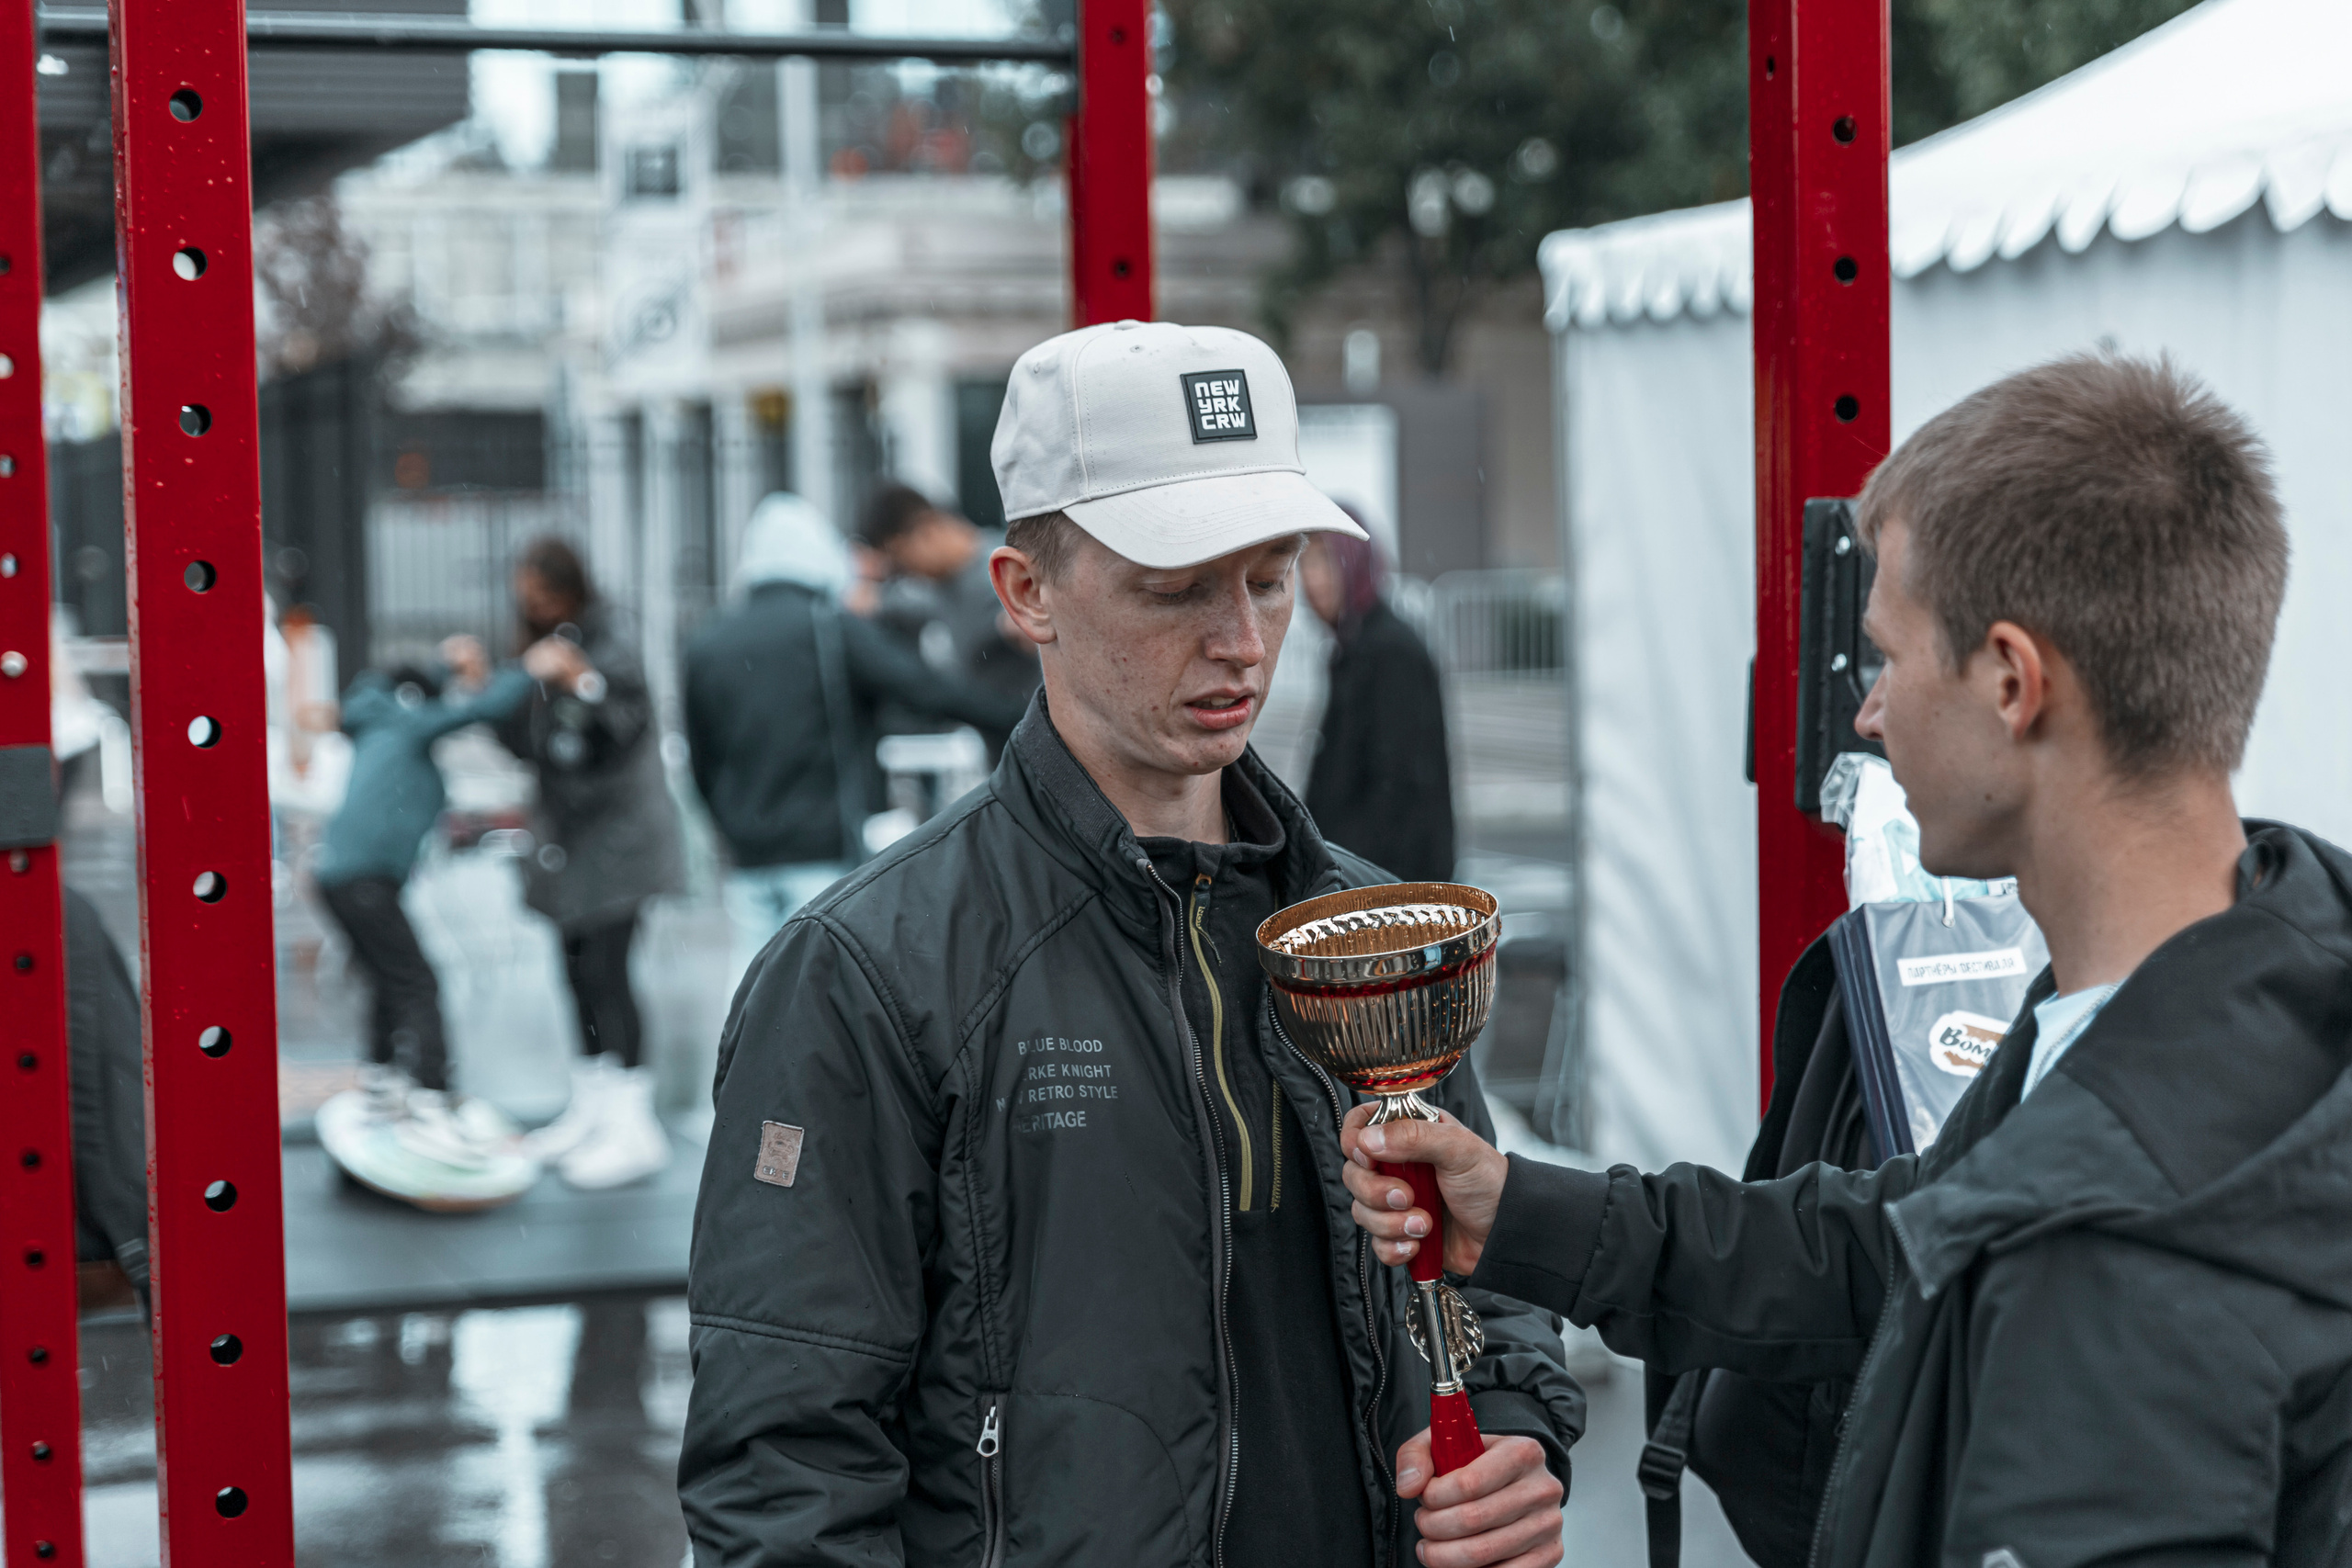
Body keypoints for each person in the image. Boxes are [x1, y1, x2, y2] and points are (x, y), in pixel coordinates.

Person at [1339, 354, 2352, 1567]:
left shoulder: (2116, 1248)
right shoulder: (2223, 981)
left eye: (1889, 654)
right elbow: (1895, 1239)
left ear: (2013, 682)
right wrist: (1527, 1215)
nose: (1867, 713)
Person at [680, 321, 1582, 1568]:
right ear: (1025, 593)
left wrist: (1519, 1427)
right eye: (1175, 585)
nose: (1242, 636)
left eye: (1270, 575)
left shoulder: (1375, 936)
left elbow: (1484, 1266)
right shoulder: (865, 972)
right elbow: (786, 1460)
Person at [683, 491, 1029, 986]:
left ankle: (743, 1062)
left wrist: (730, 823)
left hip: (748, 848)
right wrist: (1015, 717)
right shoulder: (829, 626)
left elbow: (700, 753)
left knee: (752, 977)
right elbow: (920, 687)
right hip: (824, 838)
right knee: (824, 974)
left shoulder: (709, 641)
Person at [311, 644, 537, 1207]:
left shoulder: (374, 719)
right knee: (418, 981)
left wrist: (437, 664)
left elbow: (383, 684)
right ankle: (434, 1099)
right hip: (364, 878)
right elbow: (478, 711)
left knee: (388, 976)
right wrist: (527, 669)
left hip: (341, 876)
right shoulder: (406, 725)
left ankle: (381, 1082)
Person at [494, 537, 686, 1190]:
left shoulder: (609, 637)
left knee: (609, 968)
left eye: (542, 593)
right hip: (568, 838)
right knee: (573, 967)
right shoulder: (546, 640)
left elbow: (626, 723)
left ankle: (633, 1125)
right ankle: (592, 1106)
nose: (534, 606)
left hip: (619, 838)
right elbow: (526, 743)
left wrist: (580, 678)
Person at [1300, 524, 1456, 884]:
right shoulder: (1354, 646)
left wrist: (1352, 882)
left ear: (1355, 563)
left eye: (1325, 561)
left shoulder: (1389, 651)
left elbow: (1401, 791)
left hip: (1389, 893)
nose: (1311, 580)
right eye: (1303, 566)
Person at [858, 479, 1042, 733]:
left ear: (928, 532)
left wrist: (1026, 626)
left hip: (1041, 744)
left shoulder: (1002, 574)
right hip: (1004, 750)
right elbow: (893, 602)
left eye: (901, 560)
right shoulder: (938, 588)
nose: (906, 573)